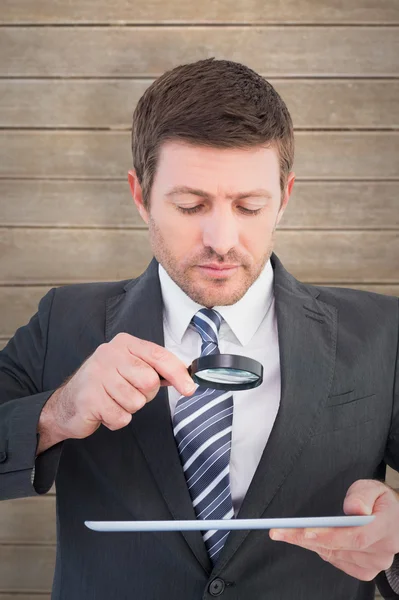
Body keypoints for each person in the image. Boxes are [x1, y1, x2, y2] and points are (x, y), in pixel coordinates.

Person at [0, 58, 398, 600]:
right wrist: (57, 414)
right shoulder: (63, 321)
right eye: (191, 205)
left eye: (249, 206)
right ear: (140, 196)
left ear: (285, 196)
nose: (222, 239)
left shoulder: (382, 332)